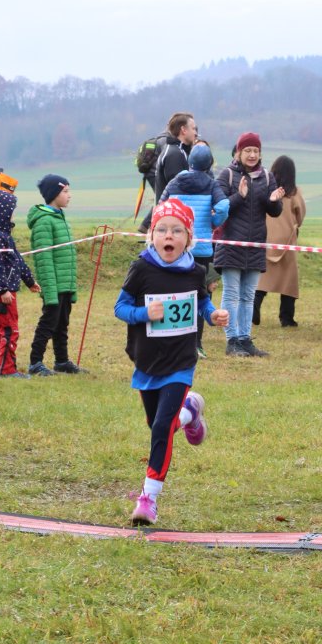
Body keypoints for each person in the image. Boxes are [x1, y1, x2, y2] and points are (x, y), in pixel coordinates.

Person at [114, 198, 229, 525]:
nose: (169, 235)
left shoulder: (195, 271)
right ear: (152, 235)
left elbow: (202, 302)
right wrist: (142, 313)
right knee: (157, 424)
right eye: (162, 229)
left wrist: (212, 315)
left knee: (162, 427)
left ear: (188, 238)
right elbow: (120, 308)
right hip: (147, 361)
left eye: (177, 231)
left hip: (181, 360)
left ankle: (148, 498)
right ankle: (190, 412)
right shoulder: (141, 269)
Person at [213, 132, 284, 357]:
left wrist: (274, 202)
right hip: (231, 244)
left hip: (255, 245)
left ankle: (245, 339)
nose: (252, 155)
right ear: (238, 152)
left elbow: (274, 212)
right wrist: (239, 196)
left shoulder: (267, 177)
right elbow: (218, 208)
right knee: (231, 294)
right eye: (248, 150)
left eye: (256, 151)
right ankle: (232, 340)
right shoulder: (227, 175)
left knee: (248, 296)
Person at [159, 142, 229, 356]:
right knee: (201, 295)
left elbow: (161, 207)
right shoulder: (211, 184)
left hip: (177, 248)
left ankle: (172, 340)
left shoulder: (175, 182)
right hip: (202, 251)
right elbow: (223, 206)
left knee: (173, 293)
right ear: (209, 164)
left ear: (189, 162)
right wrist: (214, 222)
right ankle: (196, 344)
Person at [27, 174, 84, 376]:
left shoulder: (60, 218)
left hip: (64, 283)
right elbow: (44, 259)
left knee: (62, 325)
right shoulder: (44, 222)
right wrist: (50, 289)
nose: (69, 195)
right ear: (53, 194)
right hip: (54, 285)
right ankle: (35, 362)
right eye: (65, 191)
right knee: (48, 323)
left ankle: (62, 361)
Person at [0, 189, 41, 377]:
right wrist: (3, 290)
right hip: (2, 294)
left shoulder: (4, 235)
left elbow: (17, 260)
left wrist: (29, 281)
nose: (13, 214)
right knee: (8, 330)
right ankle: (7, 370)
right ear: (1, 211)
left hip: (3, 291)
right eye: (11, 210)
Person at [254, 154, 306, 327]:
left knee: (262, 278)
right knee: (289, 280)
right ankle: (286, 318)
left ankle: (254, 311)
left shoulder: (266, 189)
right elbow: (300, 216)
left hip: (265, 237)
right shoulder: (294, 192)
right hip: (287, 241)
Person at [153, 113, 198, 202]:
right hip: (172, 210)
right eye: (193, 129)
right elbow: (178, 190)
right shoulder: (174, 154)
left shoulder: (179, 150)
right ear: (183, 130)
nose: (196, 133)